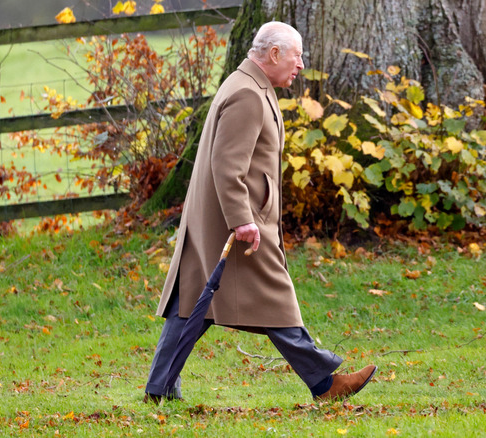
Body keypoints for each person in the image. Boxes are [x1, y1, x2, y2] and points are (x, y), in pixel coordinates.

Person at [144, 21, 376, 404]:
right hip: (239, 223)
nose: (300, 64)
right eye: (296, 56)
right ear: (273, 54)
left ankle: (159, 387)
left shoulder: (248, 84)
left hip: (231, 219)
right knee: (273, 298)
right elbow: (227, 165)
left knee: (193, 304)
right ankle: (325, 383)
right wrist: (242, 220)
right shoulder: (248, 94)